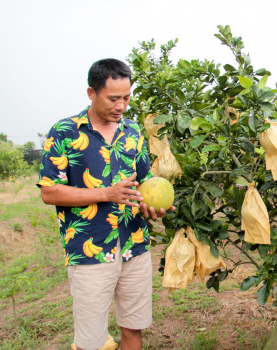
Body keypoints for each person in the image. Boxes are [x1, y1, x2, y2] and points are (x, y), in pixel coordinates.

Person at [37, 58, 172, 350]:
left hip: (134, 246)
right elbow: (49, 192)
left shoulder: (133, 132)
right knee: (91, 341)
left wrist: (152, 205)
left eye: (126, 98)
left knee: (133, 329)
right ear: (91, 93)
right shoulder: (65, 132)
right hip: (90, 250)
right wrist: (105, 194)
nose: (121, 105)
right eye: (113, 98)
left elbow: (144, 184)